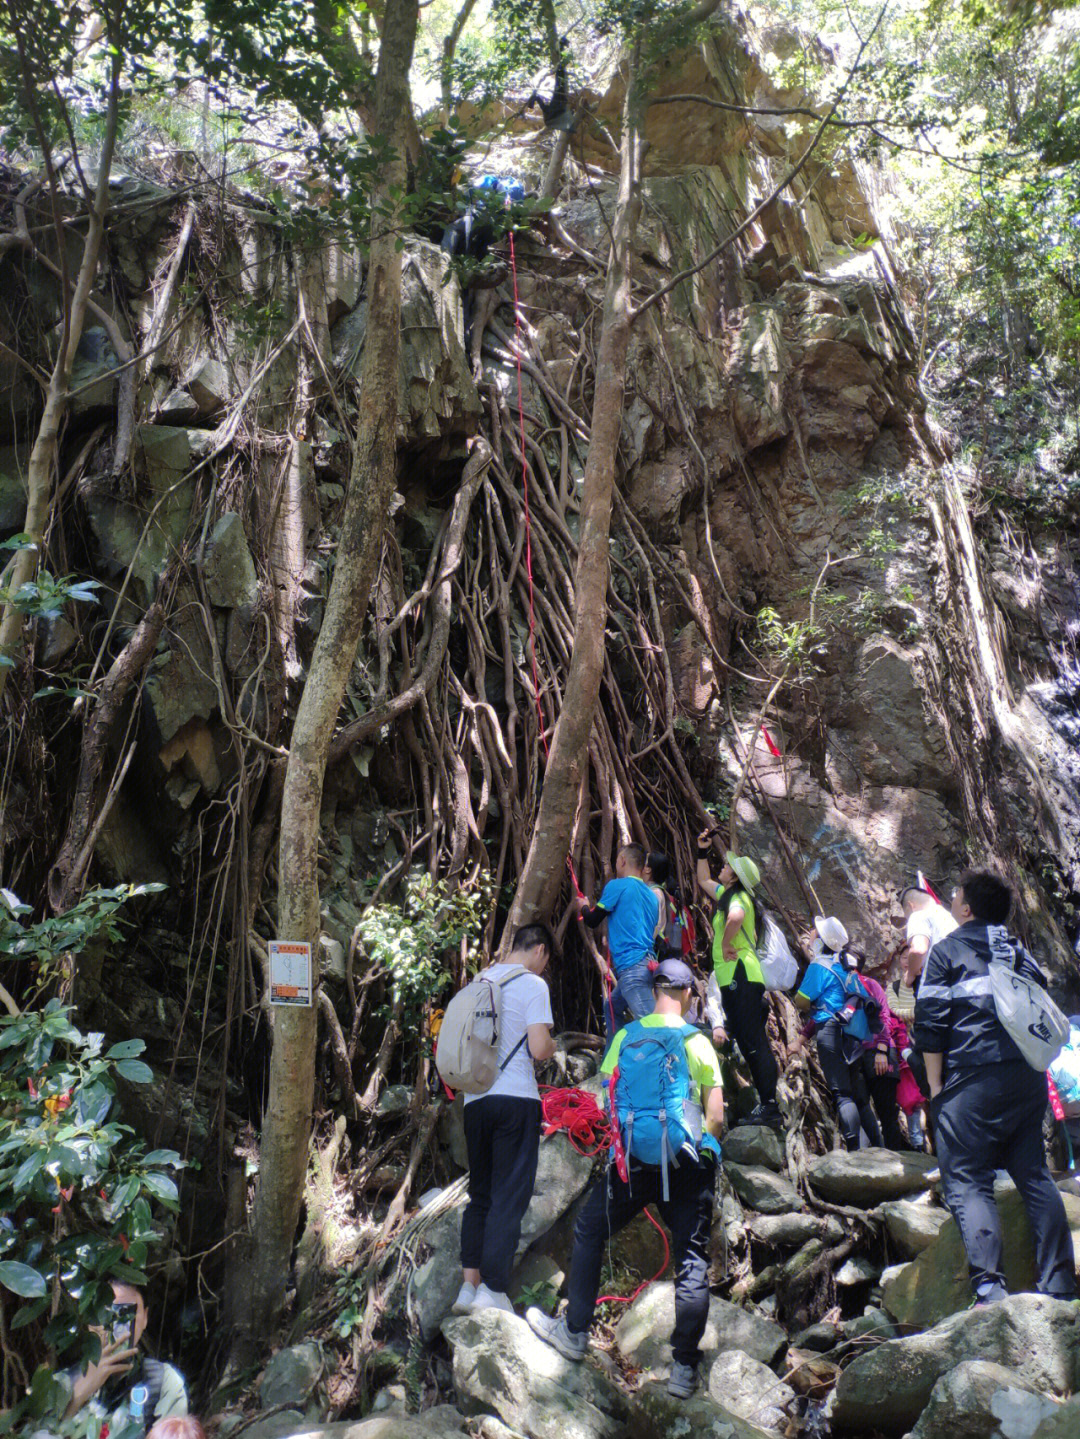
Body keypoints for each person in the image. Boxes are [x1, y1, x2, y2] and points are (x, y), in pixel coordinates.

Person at [526, 959, 724, 1399]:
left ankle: (575, 1332)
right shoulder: (698, 1041)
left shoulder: (625, 1036)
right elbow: (715, 1116)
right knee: (691, 1258)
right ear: (689, 993)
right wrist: (702, 1155)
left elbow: (604, 1100)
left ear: (655, 989)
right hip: (685, 1165)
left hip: (632, 1163)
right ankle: (683, 1371)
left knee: (589, 1229)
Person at [915, 871, 1076, 1306]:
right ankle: (1059, 1286)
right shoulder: (1019, 951)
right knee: (1035, 1176)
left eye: (955, 895)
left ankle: (990, 1289)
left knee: (967, 1178)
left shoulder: (947, 951)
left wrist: (934, 1087)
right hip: (1026, 1080)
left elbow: (930, 1022)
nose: (950, 899)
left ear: (966, 909)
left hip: (972, 1077)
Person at [453, 923, 557, 1315]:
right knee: (508, 1195)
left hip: (475, 1101)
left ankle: (468, 1287)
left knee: (479, 1194)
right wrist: (552, 1044)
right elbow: (538, 1046)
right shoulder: (533, 985)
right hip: (515, 1100)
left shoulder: (480, 981)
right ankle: (493, 1290)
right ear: (540, 951)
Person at [696, 832, 781, 1129]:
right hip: (735, 977)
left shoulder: (740, 897)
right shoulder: (727, 894)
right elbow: (704, 881)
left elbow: (734, 919)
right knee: (748, 1041)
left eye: (729, 866)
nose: (724, 866)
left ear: (735, 876)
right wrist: (701, 851)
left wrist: (724, 944)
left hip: (741, 974)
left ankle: (770, 1106)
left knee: (755, 1042)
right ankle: (766, 1105)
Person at [792, 918, 883, 1150]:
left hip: (830, 1032)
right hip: (852, 1035)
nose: (811, 933)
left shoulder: (819, 966)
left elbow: (801, 1000)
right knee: (860, 1098)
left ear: (821, 939)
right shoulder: (846, 969)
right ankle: (878, 1148)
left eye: (815, 931)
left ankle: (854, 1150)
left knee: (842, 1094)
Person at [61, 1282, 188, 1432]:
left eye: (128, 1314)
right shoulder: (62, 1383)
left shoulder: (164, 1381)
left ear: (145, 1317)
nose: (119, 1325)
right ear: (90, 1320)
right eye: (108, 1313)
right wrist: (77, 1398)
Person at [578, 843, 661, 1040]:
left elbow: (592, 920)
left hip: (632, 968)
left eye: (617, 859)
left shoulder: (617, 886)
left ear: (623, 860)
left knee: (652, 1026)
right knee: (612, 1007)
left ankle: (671, 1067)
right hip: (647, 963)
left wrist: (583, 907)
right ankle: (611, 1062)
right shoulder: (652, 896)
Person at [848, 948, 912, 1151]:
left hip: (879, 1051)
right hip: (857, 1055)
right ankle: (873, 1154)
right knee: (861, 1104)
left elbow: (884, 1017)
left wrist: (882, 1051)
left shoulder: (870, 985)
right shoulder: (843, 987)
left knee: (887, 1113)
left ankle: (893, 1161)